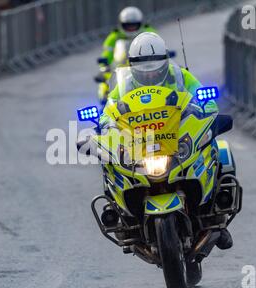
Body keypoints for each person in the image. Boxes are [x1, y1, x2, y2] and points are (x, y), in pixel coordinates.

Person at [99, 32, 232, 250]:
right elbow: (108, 110)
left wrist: (207, 109)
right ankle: (122, 216)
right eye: (143, 69)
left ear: (165, 62)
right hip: (141, 144)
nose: (149, 73)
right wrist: (103, 125)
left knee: (217, 146)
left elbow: (202, 97)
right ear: (132, 66)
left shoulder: (180, 76)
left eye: (155, 68)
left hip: (174, 138)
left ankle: (219, 214)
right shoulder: (124, 85)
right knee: (107, 159)